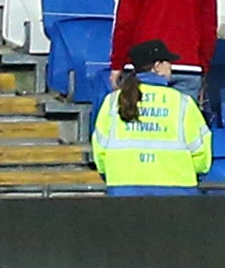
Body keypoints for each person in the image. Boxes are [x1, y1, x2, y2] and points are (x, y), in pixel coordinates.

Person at [90, 40, 213, 188]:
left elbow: (99, 148)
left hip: (123, 187)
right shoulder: (182, 102)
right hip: (176, 190)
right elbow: (201, 153)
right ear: (157, 66)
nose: (171, 67)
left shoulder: (113, 100)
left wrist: (112, 174)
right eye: (167, 62)